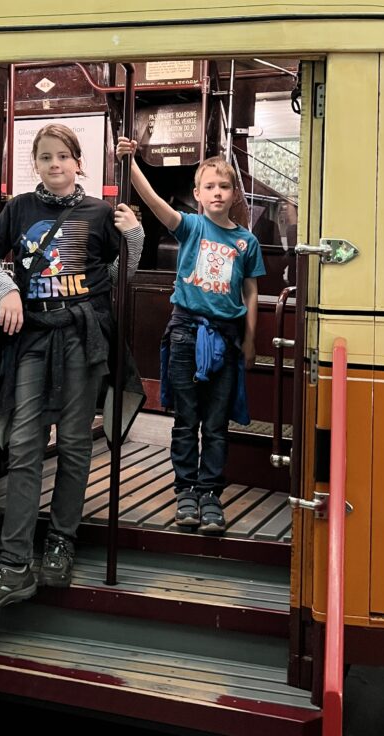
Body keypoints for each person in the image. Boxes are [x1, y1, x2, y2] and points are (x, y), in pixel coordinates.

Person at [0, 124, 144, 618]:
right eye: (45, 158)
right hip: (35, 338)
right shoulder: (20, 208)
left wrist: (135, 235)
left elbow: (124, 271)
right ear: (35, 164)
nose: (54, 164)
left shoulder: (102, 214)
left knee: (78, 442)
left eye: (63, 156)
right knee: (24, 442)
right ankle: (15, 561)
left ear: (77, 161)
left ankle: (61, 539)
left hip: (82, 339)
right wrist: (8, 288)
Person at [116, 139, 264, 534]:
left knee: (216, 423)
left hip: (227, 338)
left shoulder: (246, 242)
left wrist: (250, 340)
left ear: (234, 195)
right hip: (185, 333)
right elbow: (150, 200)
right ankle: (186, 491)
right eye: (210, 187)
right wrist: (130, 161)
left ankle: (210, 494)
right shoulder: (191, 227)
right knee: (186, 421)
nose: (218, 193)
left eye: (225, 187)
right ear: (197, 195)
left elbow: (249, 291)